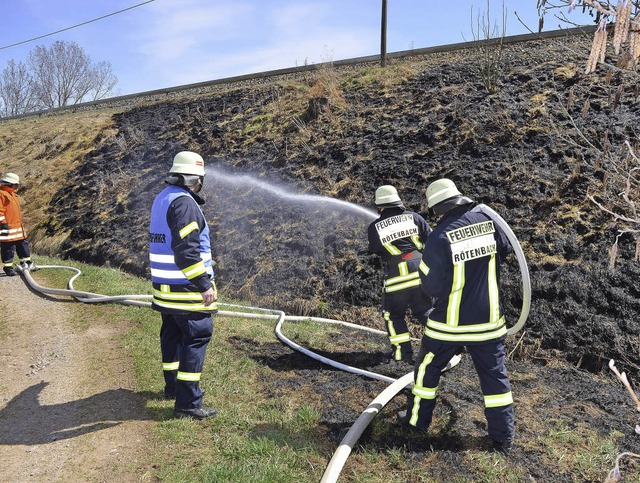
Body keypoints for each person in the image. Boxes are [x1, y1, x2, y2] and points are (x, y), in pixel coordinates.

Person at [400, 178, 515, 454]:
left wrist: (423, 266)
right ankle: (503, 437)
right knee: (495, 378)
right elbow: (507, 250)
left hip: (448, 326)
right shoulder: (490, 223)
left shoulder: (440, 236)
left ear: (438, 208)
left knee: (428, 370)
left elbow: (432, 286)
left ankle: (417, 422)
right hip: (488, 323)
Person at [149, 151, 219, 420]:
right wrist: (203, 283)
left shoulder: (162, 198)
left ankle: (172, 388)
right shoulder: (185, 204)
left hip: (165, 288)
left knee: (172, 335)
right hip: (186, 290)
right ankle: (188, 404)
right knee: (197, 336)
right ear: (194, 178)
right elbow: (186, 251)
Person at [367, 185, 432, 363]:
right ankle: (448, 344)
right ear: (398, 201)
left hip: (397, 277)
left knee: (393, 315)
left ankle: (402, 354)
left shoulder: (375, 227)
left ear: (379, 205)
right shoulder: (415, 217)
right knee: (425, 310)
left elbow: (375, 250)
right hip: (420, 273)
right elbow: (431, 240)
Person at [0, 172, 36, 276]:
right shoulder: (2, 194)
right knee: (8, 247)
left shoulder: (12, 194)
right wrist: (3, 223)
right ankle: (8, 268)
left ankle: (26, 262)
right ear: (9, 184)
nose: (17, 187)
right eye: (15, 185)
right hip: (7, 227)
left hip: (17, 227)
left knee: (23, 244)